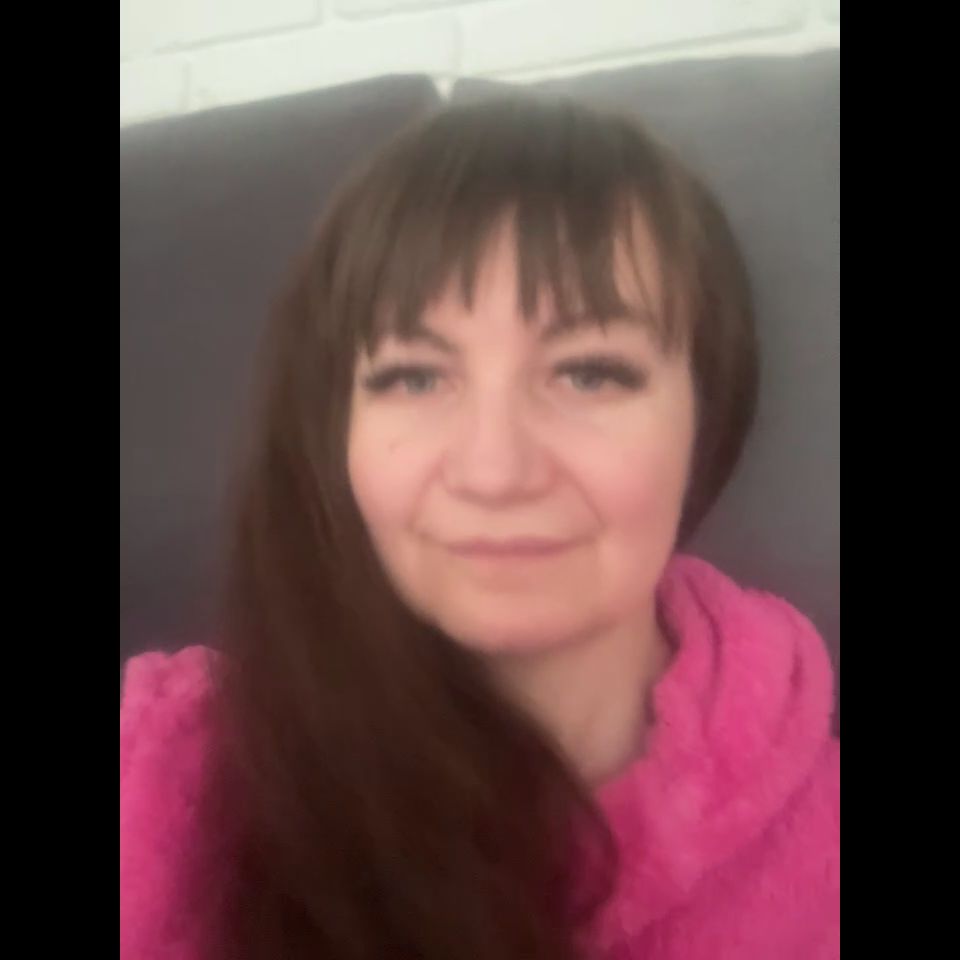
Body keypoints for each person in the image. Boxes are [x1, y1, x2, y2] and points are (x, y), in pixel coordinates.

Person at [120, 96, 839, 960]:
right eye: (415, 378)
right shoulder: (163, 766)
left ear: (706, 419)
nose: (493, 471)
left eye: (589, 373)